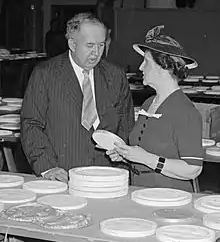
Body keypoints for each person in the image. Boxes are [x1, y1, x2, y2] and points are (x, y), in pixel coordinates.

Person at [21, 12, 134, 183]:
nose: (96, 53)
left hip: (108, 175)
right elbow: (31, 124)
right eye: (89, 45)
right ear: (72, 44)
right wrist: (47, 167)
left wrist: (122, 159)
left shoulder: (116, 76)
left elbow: (126, 123)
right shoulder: (45, 74)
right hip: (63, 174)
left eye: (101, 45)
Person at [107, 25, 203, 192]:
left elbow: (192, 168)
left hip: (170, 199)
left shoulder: (186, 111)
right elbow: (147, 152)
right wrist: (127, 156)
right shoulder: (148, 103)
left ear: (162, 66)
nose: (141, 67)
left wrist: (145, 158)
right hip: (140, 192)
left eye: (146, 62)